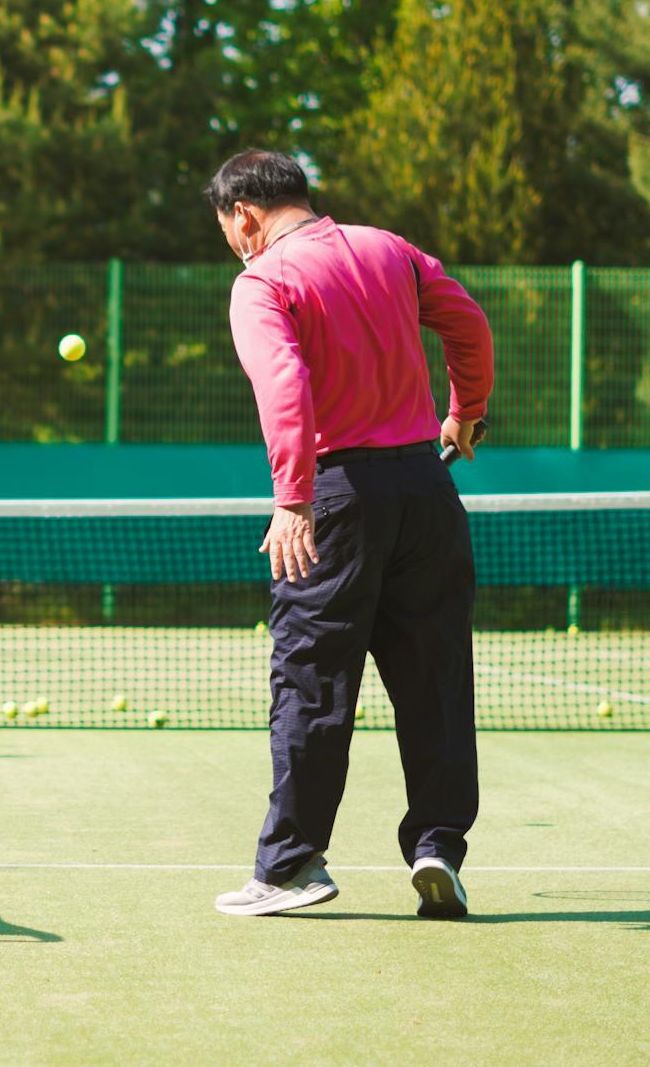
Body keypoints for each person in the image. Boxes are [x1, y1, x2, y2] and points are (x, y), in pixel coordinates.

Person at [206, 150, 493, 920]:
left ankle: (294, 865)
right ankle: (437, 846)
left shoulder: (261, 280)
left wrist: (291, 497)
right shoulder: (389, 249)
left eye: (229, 228)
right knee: (435, 681)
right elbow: (468, 320)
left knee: (311, 681)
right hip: (426, 492)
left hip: (335, 500)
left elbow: (285, 386)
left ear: (245, 216)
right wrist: (467, 409)